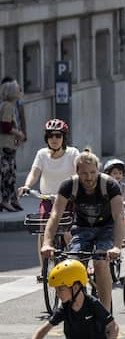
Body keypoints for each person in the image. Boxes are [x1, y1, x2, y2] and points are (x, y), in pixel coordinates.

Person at [41, 151, 125, 313]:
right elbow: (55, 215)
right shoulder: (69, 185)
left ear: (98, 170)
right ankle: (77, 308)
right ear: (77, 172)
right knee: (73, 264)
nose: (89, 177)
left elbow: (119, 216)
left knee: (101, 262)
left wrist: (116, 246)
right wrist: (47, 243)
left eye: (93, 172)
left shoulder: (109, 185)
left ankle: (105, 313)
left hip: (106, 229)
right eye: (84, 173)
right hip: (81, 229)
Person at [18, 119, 80, 254]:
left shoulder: (73, 153)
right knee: (43, 232)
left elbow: (78, 173)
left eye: (58, 135)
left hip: (67, 200)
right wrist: (27, 186)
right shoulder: (42, 154)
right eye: (51, 135)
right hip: (47, 199)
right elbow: (34, 172)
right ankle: (43, 270)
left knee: (67, 231)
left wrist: (76, 188)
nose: (54, 139)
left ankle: (77, 260)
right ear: (47, 138)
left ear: (64, 137)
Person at [0, 78, 26, 211]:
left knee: (10, 174)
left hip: (9, 145)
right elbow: (5, 126)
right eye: (17, 90)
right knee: (7, 175)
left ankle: (12, 199)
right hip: (6, 146)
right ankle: (6, 201)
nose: (19, 91)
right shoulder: (8, 106)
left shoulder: (8, 105)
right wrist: (19, 134)